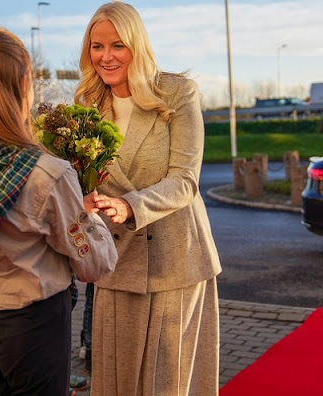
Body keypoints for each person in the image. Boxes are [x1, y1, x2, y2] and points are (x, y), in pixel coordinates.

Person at [0, 22, 117, 395]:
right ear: (23, 83)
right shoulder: (47, 173)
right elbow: (93, 263)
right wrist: (88, 214)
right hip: (34, 327)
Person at [74, 3, 222, 395]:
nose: (106, 57)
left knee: (166, 382)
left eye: (117, 45)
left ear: (137, 45)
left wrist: (129, 206)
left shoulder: (176, 92)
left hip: (175, 260)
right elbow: (79, 176)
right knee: (116, 382)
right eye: (97, 46)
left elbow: (186, 180)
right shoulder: (86, 106)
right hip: (117, 263)